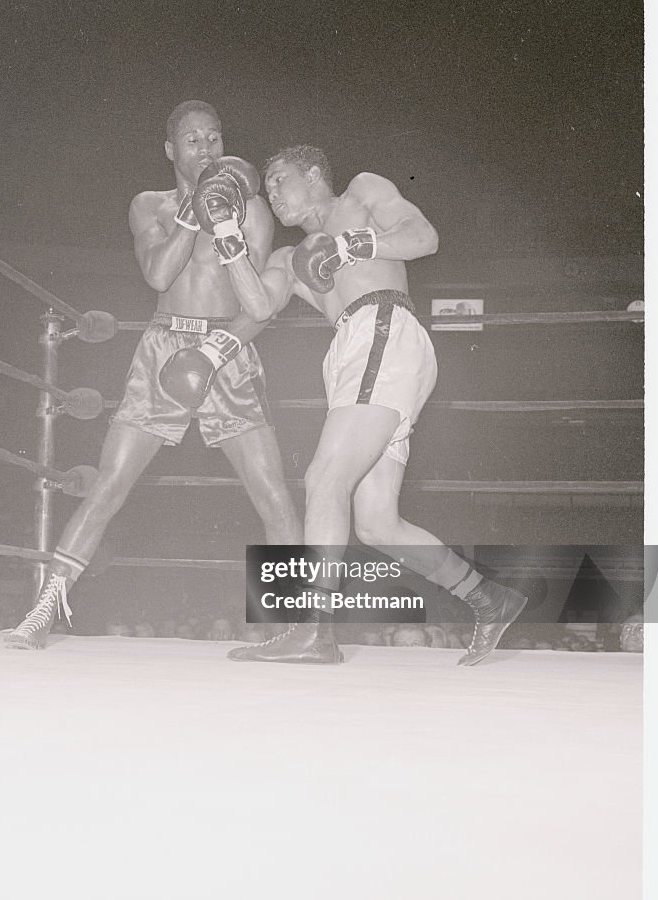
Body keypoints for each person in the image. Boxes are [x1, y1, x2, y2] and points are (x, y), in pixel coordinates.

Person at [5, 100, 301, 650]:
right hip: (162, 350)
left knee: (272, 492)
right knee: (109, 484)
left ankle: (291, 627)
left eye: (215, 138)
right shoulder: (150, 205)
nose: (207, 148)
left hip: (226, 350)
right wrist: (194, 210)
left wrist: (227, 224)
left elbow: (257, 302)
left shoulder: (253, 209)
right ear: (171, 150)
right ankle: (44, 607)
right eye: (194, 140)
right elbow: (159, 272)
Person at [222, 144, 526, 666]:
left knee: (323, 480)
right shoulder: (287, 259)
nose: (271, 195)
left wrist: (349, 247)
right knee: (376, 523)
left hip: (382, 327)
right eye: (266, 188)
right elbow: (259, 306)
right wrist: (229, 242)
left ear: (314, 174)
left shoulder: (361, 192)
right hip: (352, 351)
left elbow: (423, 238)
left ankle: (312, 629)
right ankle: (490, 599)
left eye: (278, 180)